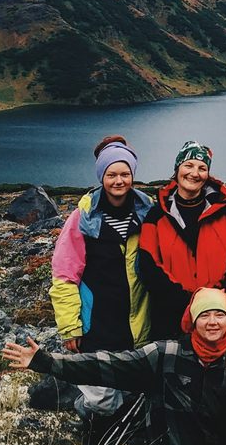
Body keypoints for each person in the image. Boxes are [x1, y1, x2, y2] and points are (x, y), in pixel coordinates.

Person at [3, 289, 226, 445]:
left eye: (220, 315)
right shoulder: (165, 354)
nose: (213, 322)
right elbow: (105, 365)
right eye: (205, 315)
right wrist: (45, 362)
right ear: (193, 320)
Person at [37, 135, 156, 416]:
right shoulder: (83, 218)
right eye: (111, 174)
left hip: (137, 327)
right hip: (97, 328)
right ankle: (87, 424)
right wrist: (70, 327)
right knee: (102, 401)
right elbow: (64, 275)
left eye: (125, 174)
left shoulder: (147, 212)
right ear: (101, 176)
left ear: (133, 176)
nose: (119, 180)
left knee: (133, 395)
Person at [138, 141, 226, 338]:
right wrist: (184, 300)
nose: (195, 173)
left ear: (207, 174)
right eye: (188, 165)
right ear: (177, 168)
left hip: (218, 316)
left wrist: (217, 295)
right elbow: (148, 264)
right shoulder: (157, 215)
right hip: (170, 317)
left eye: (202, 168)